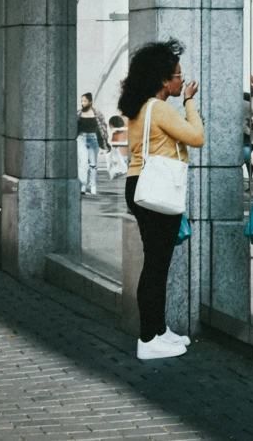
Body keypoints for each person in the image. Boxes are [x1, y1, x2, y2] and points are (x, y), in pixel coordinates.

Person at [118, 39, 204, 360]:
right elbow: (197, 137)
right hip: (155, 189)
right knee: (156, 266)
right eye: (178, 76)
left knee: (157, 264)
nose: (183, 81)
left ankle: (158, 331)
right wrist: (191, 103)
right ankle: (147, 339)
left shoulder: (140, 107)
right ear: (164, 81)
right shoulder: (161, 108)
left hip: (139, 185)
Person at [76, 93, 111, 195]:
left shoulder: (97, 114)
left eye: (84, 101)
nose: (82, 103)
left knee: (93, 164)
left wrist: (106, 141)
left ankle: (93, 186)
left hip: (93, 139)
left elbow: (103, 128)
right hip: (81, 138)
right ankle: (83, 185)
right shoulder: (78, 113)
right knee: (82, 163)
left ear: (90, 102)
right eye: (81, 101)